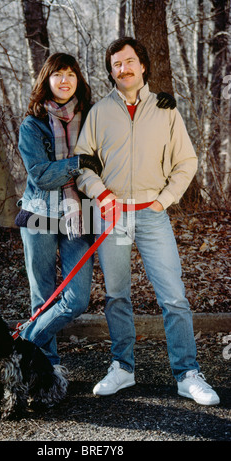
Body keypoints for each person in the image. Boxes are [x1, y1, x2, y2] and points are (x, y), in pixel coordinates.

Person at [75, 37, 220, 406]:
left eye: (128, 62)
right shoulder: (99, 112)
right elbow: (83, 162)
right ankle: (123, 368)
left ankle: (187, 374)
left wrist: (164, 200)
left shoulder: (165, 109)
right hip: (110, 214)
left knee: (174, 296)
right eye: (115, 65)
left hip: (152, 215)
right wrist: (100, 194)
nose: (122, 69)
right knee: (116, 295)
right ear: (111, 71)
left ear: (142, 65)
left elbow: (186, 162)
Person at [16, 53, 102, 387]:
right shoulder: (32, 125)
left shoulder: (93, 118)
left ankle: (22, 344)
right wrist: (78, 161)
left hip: (79, 217)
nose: (64, 80)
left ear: (78, 79)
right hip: (39, 215)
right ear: (46, 81)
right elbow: (40, 176)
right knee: (44, 297)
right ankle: (48, 369)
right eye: (57, 75)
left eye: (70, 74)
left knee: (76, 299)